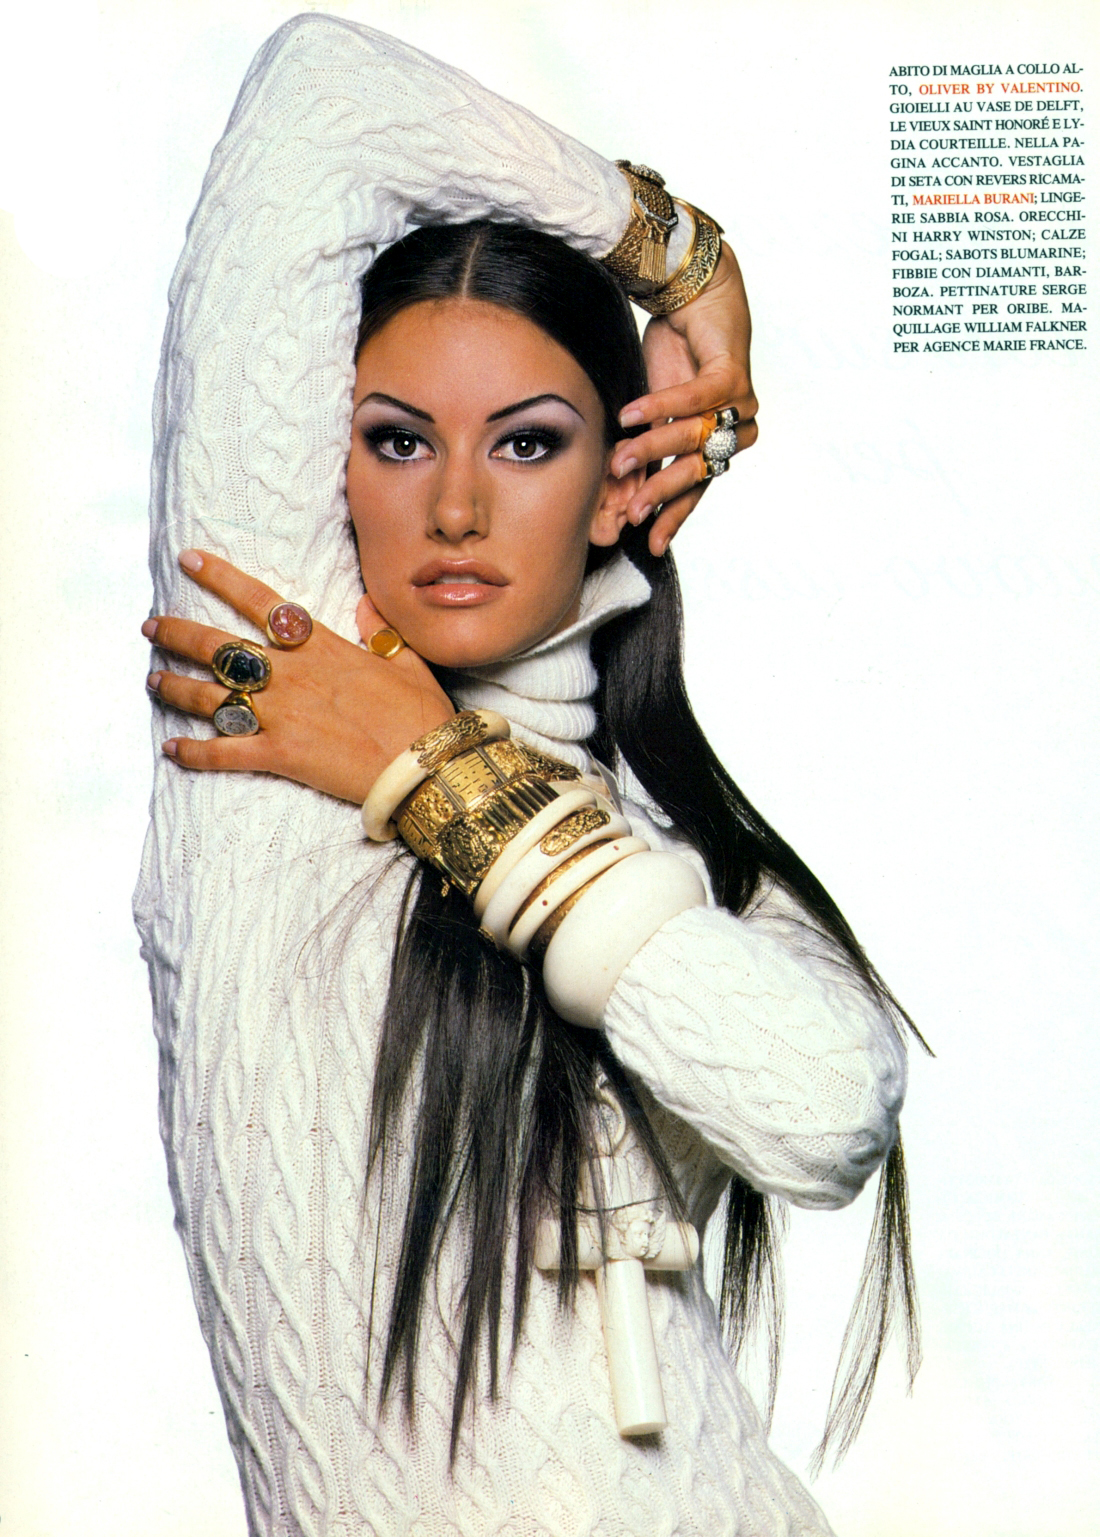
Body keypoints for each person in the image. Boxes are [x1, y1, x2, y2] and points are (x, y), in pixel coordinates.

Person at [135, 15, 917, 1534]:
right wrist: (676, 256)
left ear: (625, 478)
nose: (456, 507)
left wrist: (443, 780)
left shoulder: (692, 852)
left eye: (530, 443)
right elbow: (321, 100)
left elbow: (828, 1108)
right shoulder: (269, 712)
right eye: (397, 441)